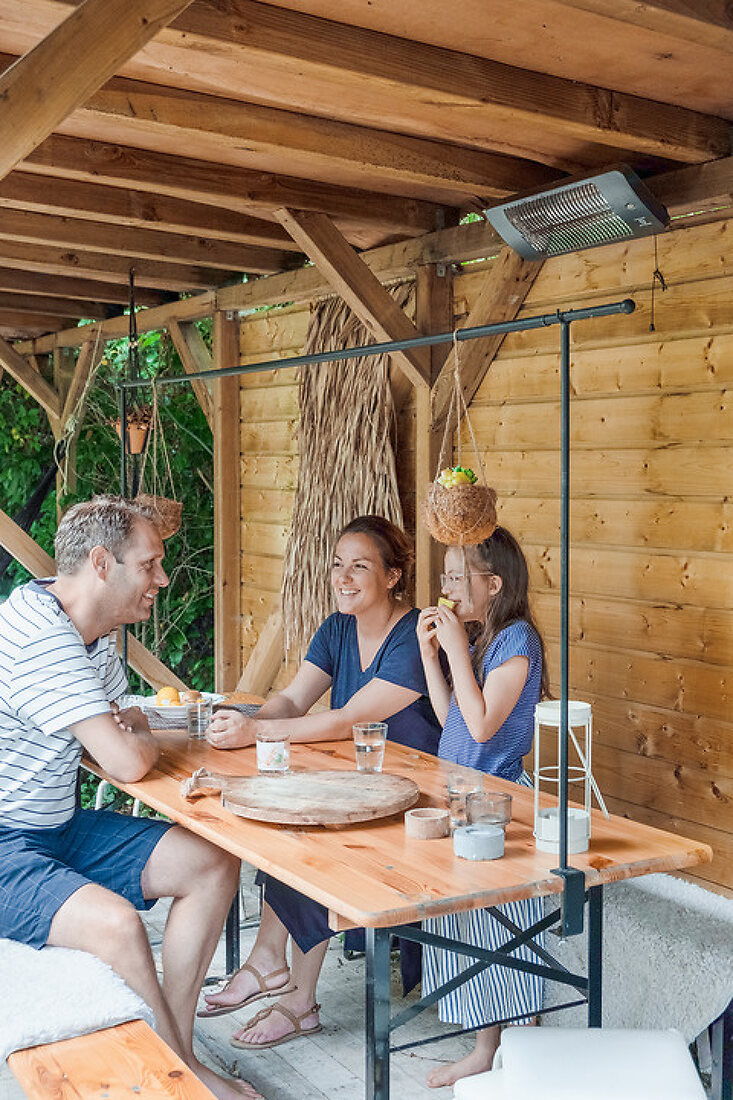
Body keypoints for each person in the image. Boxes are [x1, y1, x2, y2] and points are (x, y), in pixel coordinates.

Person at [0, 496, 261, 1100]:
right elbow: (124, 757)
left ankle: (177, 1051)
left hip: (53, 829)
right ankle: (186, 1078)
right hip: (7, 845)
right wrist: (136, 735)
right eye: (149, 565)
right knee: (118, 928)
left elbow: (122, 727)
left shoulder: (92, 631)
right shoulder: (40, 634)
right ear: (100, 563)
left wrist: (134, 731)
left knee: (211, 859)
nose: (162, 580)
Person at [199, 514, 441, 1048]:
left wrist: (257, 731)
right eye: (337, 566)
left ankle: (292, 994)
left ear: (393, 576)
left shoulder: (413, 633)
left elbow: (346, 719)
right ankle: (272, 967)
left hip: (416, 799)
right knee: (282, 828)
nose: (343, 578)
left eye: (360, 567)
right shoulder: (337, 628)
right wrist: (250, 719)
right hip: (355, 788)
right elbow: (293, 698)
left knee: (312, 848)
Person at [416, 526, 549, 1089]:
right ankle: (485, 1048)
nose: (445, 586)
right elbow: (453, 724)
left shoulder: (518, 640)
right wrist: (432, 657)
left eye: (455, 576)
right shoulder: (484, 639)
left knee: (504, 931)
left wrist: (454, 653)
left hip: (499, 804)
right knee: (468, 930)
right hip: (461, 796)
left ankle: (518, 1050)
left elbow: (485, 724)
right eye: (444, 576)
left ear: (492, 584)